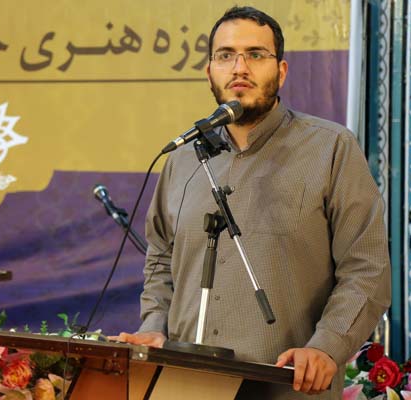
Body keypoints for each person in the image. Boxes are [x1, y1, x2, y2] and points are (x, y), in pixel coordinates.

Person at [111, 6, 391, 399]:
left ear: (281, 71)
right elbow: (161, 257)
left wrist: (326, 347)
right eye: (226, 55)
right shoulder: (183, 160)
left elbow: (367, 267)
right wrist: (154, 326)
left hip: (288, 386)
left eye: (256, 55)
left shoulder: (330, 148)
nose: (239, 68)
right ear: (210, 71)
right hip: (185, 384)